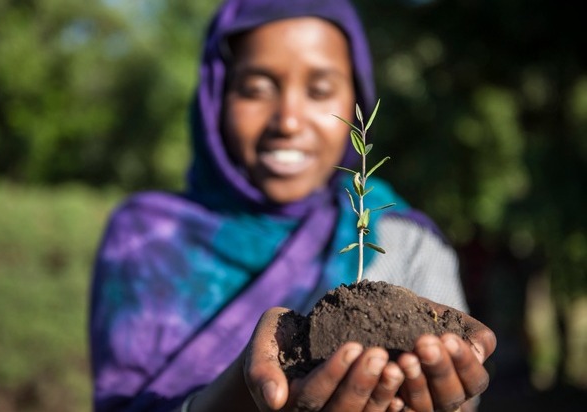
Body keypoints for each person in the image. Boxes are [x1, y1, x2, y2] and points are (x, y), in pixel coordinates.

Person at [88, 0, 497, 411]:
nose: (288, 121)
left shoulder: (405, 242)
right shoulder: (148, 238)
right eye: (256, 89)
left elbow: (459, 394)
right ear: (217, 98)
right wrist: (242, 396)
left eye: (320, 90)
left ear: (355, 102)